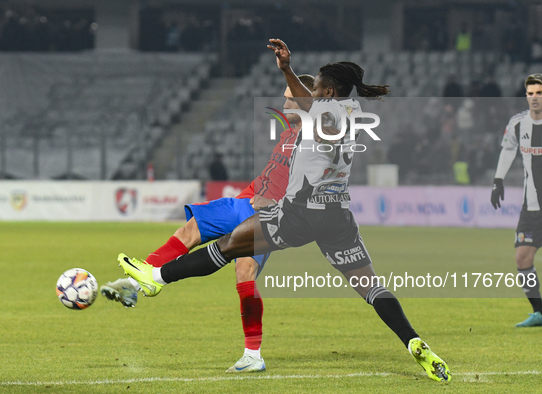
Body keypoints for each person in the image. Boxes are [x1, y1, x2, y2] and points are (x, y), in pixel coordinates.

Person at [116, 39, 451, 382]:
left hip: (300, 214)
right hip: (338, 218)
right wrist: (291, 75)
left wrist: (287, 69)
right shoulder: (351, 112)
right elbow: (308, 106)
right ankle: (413, 341)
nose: (312, 90)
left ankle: (155, 278)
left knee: (227, 246)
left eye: (317, 86)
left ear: (329, 91)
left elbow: (307, 104)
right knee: (371, 287)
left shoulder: (326, 111)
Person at [102, 74, 316, 374]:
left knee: (245, 270)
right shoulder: (288, 132)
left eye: (290, 98)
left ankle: (253, 355)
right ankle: (136, 285)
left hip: (270, 215)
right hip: (246, 201)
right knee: (189, 230)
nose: (284, 103)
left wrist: (287, 69)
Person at [491, 73, 542, 328]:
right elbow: (508, 149)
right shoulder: (517, 123)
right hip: (532, 206)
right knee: (522, 259)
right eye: (530, 93)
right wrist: (498, 180)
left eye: (539, 93)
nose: (534, 98)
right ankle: (540, 313)